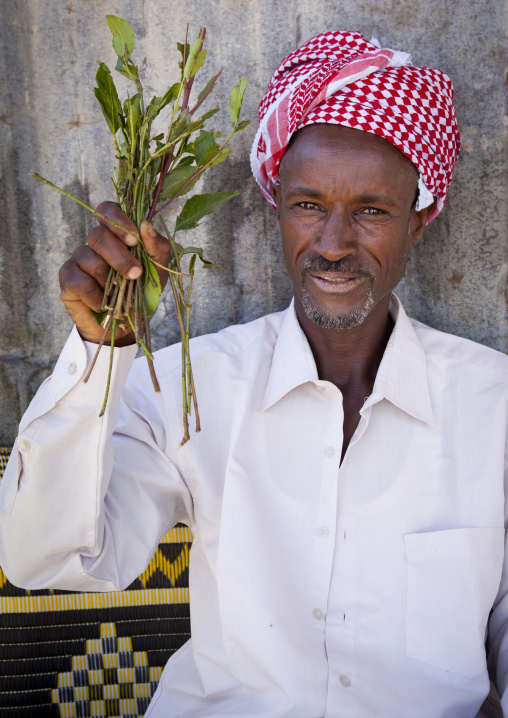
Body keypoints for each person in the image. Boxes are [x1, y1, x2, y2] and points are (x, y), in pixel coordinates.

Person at [0, 30, 507, 718]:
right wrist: (96, 356)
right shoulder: (189, 388)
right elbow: (44, 559)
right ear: (277, 206)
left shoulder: (493, 404)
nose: (331, 245)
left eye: (371, 211)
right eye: (308, 205)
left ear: (419, 221)